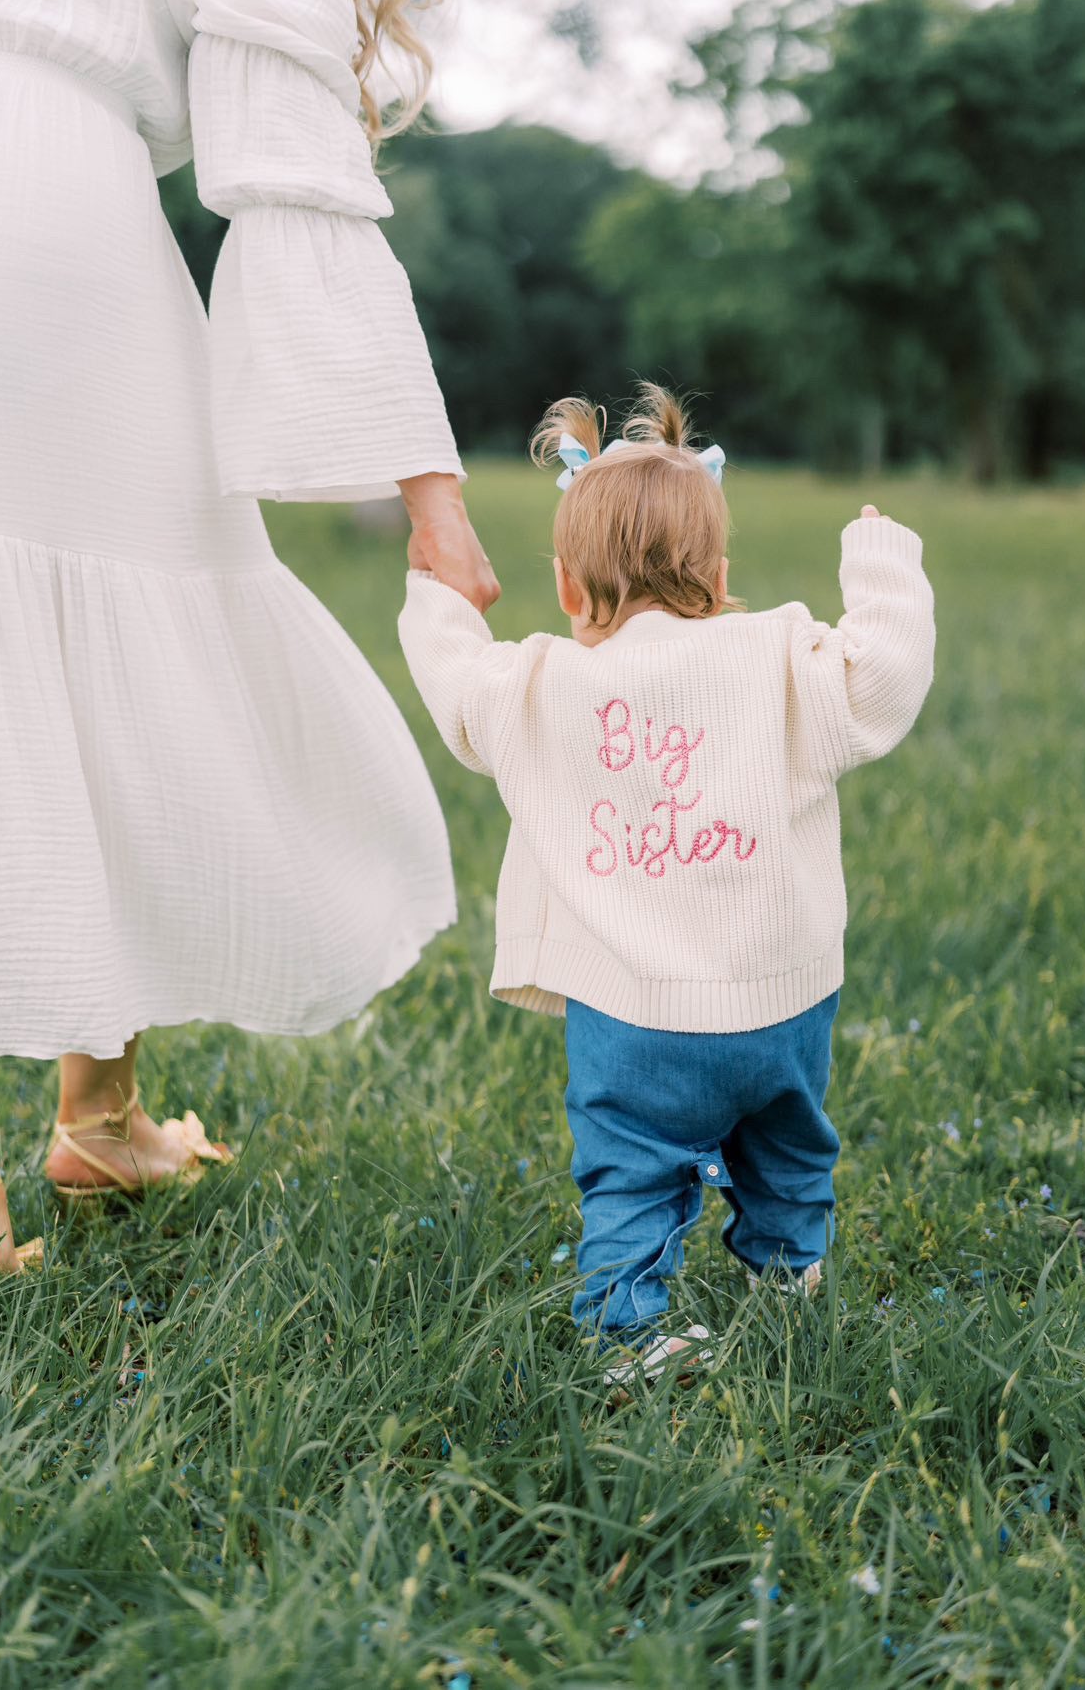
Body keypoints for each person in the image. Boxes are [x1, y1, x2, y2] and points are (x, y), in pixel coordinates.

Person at [0, 0, 498, 1272]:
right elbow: (295, 190)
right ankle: (95, 1111)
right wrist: (430, 492)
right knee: (124, 659)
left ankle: (101, 1119)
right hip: (50, 233)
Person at [399, 383, 935, 1381]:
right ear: (722, 572)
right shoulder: (782, 655)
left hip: (632, 1022)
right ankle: (787, 1273)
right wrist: (881, 562)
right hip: (782, 1007)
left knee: (631, 1175)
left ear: (565, 584)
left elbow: (457, 689)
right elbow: (887, 676)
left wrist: (438, 600)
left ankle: (627, 1328)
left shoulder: (541, 683)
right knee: (789, 1147)